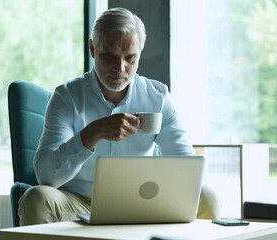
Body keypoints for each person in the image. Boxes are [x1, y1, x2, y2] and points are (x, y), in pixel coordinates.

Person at [18, 7, 220, 226]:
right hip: (77, 203)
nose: (120, 68)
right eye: (109, 56)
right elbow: (47, 178)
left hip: (142, 203)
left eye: (130, 58)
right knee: (37, 199)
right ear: (92, 48)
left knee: (206, 197)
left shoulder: (158, 98)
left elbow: (188, 169)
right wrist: (91, 134)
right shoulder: (67, 97)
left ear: (140, 53)